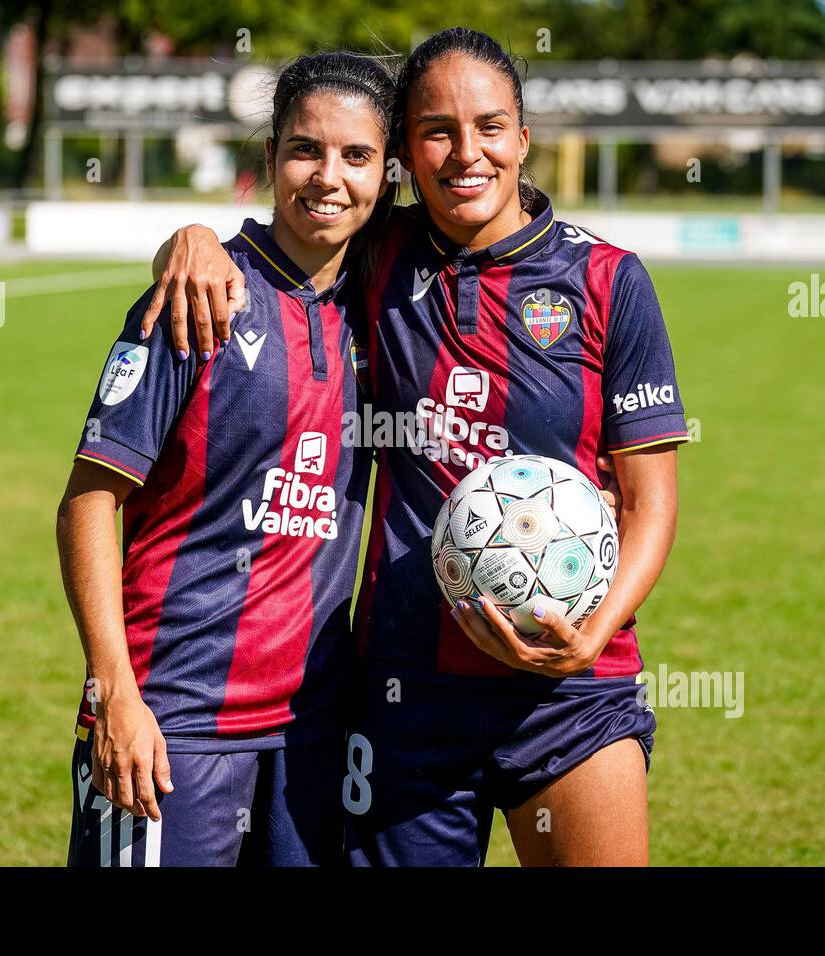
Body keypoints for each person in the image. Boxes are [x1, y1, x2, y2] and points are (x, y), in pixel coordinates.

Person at [142, 28, 687, 866]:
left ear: (523, 138)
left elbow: (652, 500)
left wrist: (593, 631)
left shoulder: (609, 280)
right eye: (437, 130)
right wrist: (191, 238)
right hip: (405, 693)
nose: (467, 153)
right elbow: (283, 244)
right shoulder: (378, 252)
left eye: (490, 127)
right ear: (404, 153)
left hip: (572, 681)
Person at [56, 51, 395, 866]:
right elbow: (87, 501)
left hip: (314, 736)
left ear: (388, 174)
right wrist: (114, 695)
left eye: (357, 156)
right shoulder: (196, 297)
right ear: (271, 156)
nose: (328, 177)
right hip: (170, 723)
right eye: (305, 149)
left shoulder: (382, 308)